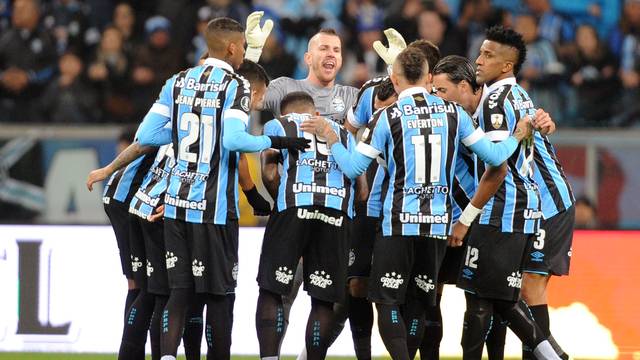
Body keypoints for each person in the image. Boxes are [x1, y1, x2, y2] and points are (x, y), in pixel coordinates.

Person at [301, 46, 533, 360]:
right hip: (438, 226)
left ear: (394, 80)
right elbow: (493, 157)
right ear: (427, 78)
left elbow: (354, 167)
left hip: (398, 222)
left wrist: (331, 136)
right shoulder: (454, 113)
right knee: (422, 302)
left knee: (388, 302)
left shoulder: (387, 116)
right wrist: (516, 136)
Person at [132, 16, 308, 360]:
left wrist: (188, 136)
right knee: (219, 295)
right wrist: (277, 140)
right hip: (214, 209)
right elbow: (233, 139)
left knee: (179, 291)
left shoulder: (178, 81)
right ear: (231, 47)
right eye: (243, 46)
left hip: (177, 204)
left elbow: (147, 136)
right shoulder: (237, 86)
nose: (244, 51)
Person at [432, 54, 560, 360]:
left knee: (494, 299)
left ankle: (551, 355)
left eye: (442, 91)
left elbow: (497, 167)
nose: (437, 100)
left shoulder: (490, 111)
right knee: (488, 298)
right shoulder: (475, 114)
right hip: (501, 213)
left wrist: (465, 220)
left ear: (465, 86)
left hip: (503, 214)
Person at [256, 91, 356, 360]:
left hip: (294, 207)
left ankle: (269, 358)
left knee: (273, 289)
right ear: (316, 113)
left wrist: (282, 202)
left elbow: (268, 170)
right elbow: (363, 188)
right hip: (336, 213)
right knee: (323, 299)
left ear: (285, 112)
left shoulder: (278, 125)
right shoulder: (344, 134)